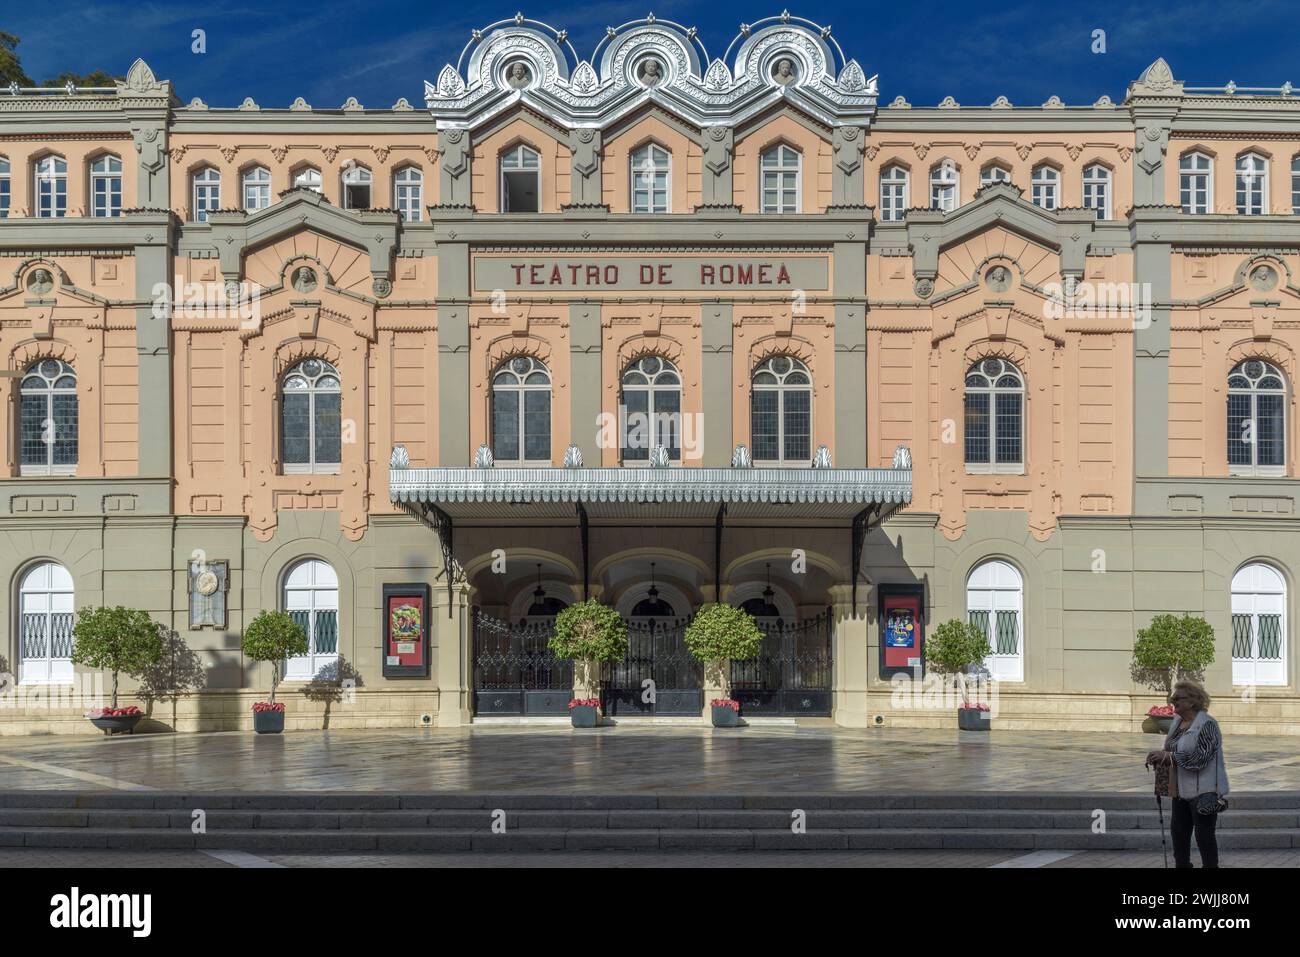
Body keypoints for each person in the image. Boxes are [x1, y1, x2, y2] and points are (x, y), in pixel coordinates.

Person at [1146, 680, 1229, 868]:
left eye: (1178, 698)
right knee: (1179, 834)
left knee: (1204, 837)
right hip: (1181, 790)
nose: (1173, 701)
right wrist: (1160, 757)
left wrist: (1169, 756)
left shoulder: (1207, 724)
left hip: (1205, 790)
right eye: (1173, 698)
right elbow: (1171, 750)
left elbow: (1200, 758)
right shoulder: (1177, 723)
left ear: (1192, 701)